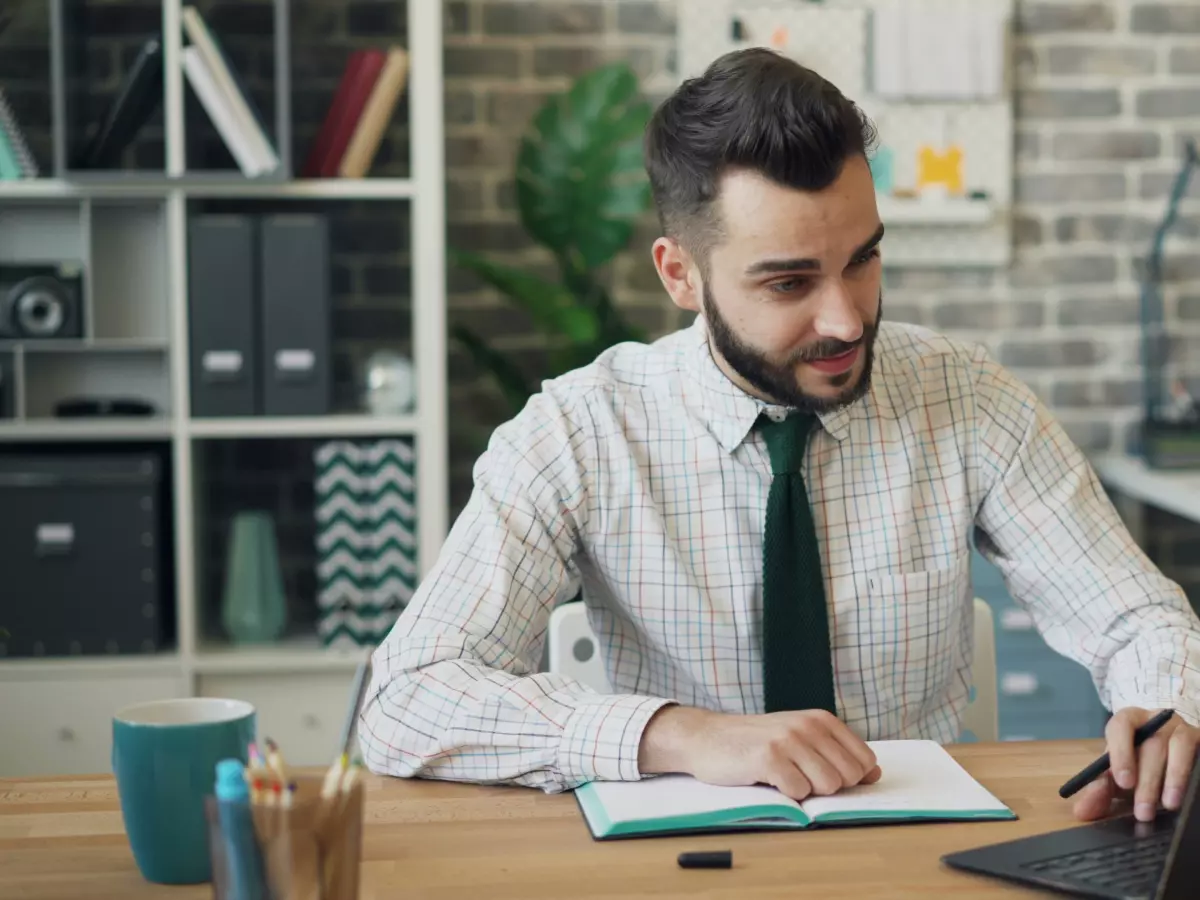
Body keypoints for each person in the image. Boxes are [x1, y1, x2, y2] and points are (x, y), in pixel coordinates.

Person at [359, 48, 1200, 825]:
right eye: (789, 282)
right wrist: (682, 734)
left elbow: (1138, 619)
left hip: (919, 859)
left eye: (863, 261)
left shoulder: (969, 399)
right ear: (680, 274)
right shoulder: (579, 431)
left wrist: (1170, 709)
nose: (845, 318)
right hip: (681, 865)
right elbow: (406, 700)